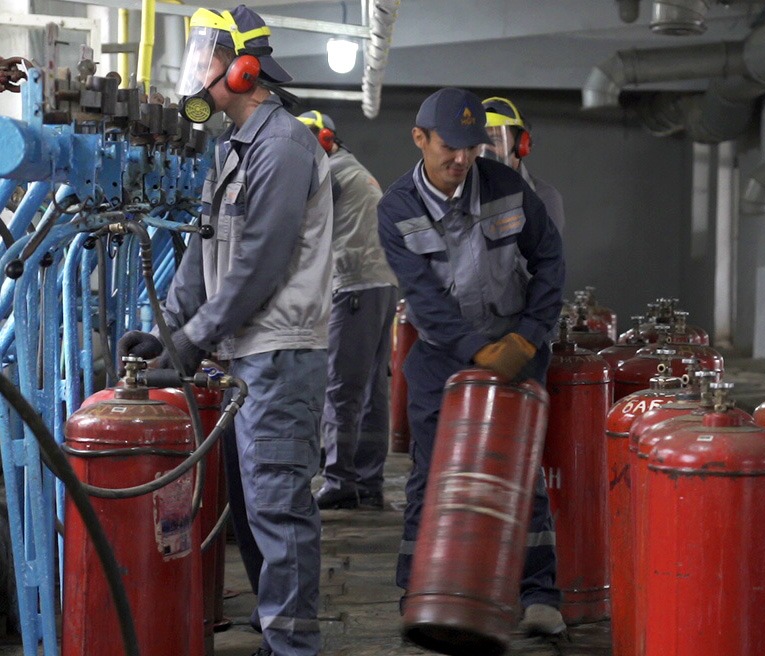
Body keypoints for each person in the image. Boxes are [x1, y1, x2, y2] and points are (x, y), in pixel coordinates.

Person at [119, 6, 333, 655]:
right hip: (246, 354)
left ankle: (294, 645)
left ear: (244, 68)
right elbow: (198, 259)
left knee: (277, 506)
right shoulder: (230, 153)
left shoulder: (285, 146)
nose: (198, 76)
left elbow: (259, 263)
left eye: (205, 59)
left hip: (280, 350)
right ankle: (277, 628)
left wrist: (192, 342)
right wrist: (165, 332)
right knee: (249, 507)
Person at [377, 87, 567, 636]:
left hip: (515, 346)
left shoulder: (508, 188)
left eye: (470, 147)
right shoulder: (397, 210)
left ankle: (538, 596)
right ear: (420, 139)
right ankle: (421, 589)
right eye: (448, 147)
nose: (461, 159)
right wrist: (477, 353)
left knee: (520, 472)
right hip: (443, 357)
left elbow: (550, 260)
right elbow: (424, 299)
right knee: (432, 474)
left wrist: (528, 339)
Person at [296, 109, 399, 511]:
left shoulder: (331, 175)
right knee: (373, 388)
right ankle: (368, 482)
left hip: (356, 286)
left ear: (324, 141)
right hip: (381, 285)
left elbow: (302, 232)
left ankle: (340, 480)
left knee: (342, 387)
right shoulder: (354, 169)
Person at [479, 96, 566, 234]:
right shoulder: (458, 195)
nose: (484, 148)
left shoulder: (543, 198)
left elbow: (544, 254)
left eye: (496, 139)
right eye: (479, 139)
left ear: (521, 146)